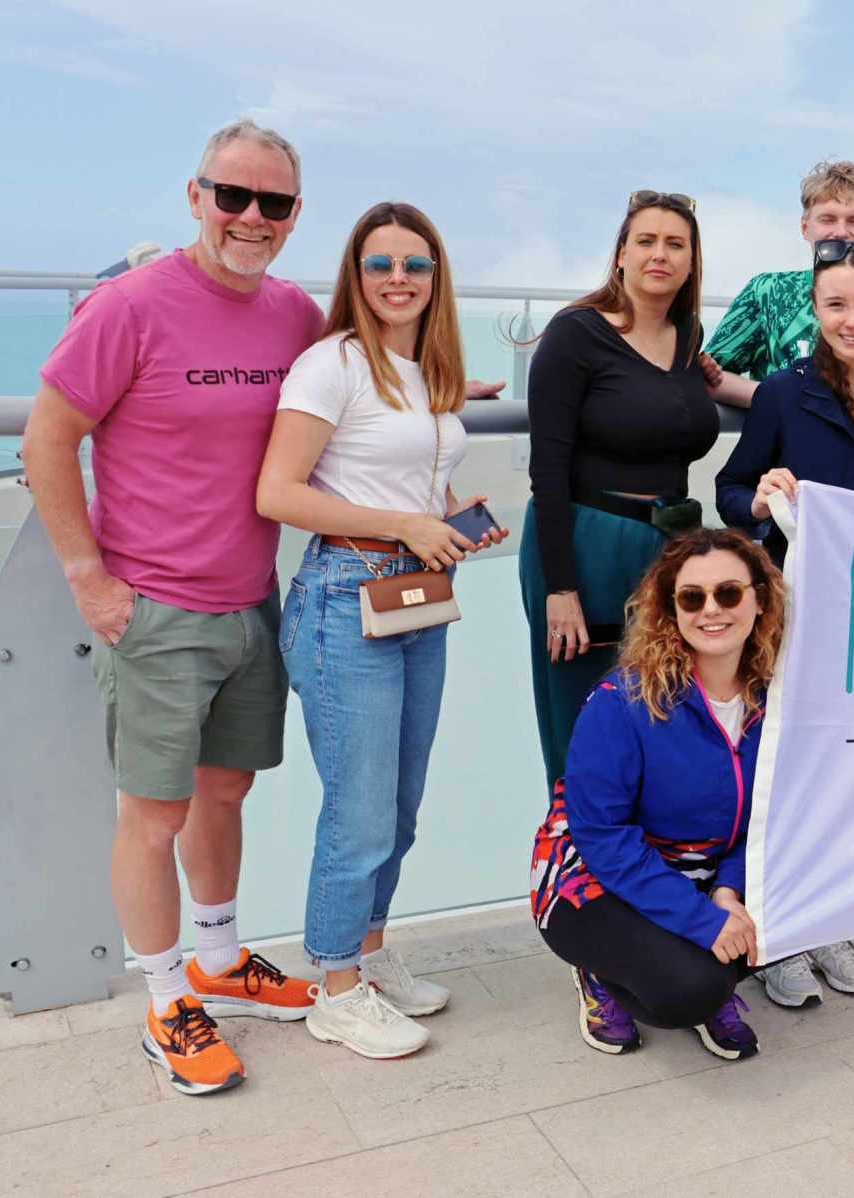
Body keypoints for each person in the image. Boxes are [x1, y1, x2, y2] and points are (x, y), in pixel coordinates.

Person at [22, 119, 323, 1094]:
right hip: (155, 608)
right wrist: (88, 576)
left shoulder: (294, 313)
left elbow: (351, 392)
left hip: (253, 602)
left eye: (273, 202)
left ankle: (220, 959)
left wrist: (443, 389)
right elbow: (47, 436)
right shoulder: (130, 305)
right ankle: (164, 1002)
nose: (250, 216)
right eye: (231, 195)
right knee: (153, 813)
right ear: (196, 197)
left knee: (225, 791)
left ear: (294, 214)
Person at [257, 202, 506, 1058]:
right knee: (359, 812)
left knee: (399, 806)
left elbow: (403, 479)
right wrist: (405, 526)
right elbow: (278, 492)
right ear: (355, 276)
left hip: (416, 598)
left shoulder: (423, 371)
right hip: (344, 600)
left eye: (415, 264)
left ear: (437, 278)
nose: (399, 278)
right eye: (380, 264)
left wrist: (451, 516)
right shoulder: (332, 364)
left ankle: (368, 954)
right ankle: (333, 987)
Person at [716, 235, 854, 1005]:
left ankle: (830, 918)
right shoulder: (783, 393)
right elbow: (730, 491)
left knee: (852, 770)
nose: (852, 319)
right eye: (836, 304)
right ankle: (776, 933)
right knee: (783, 769)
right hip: (793, 615)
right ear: (815, 309)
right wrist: (758, 496)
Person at [530, 528, 782, 1061]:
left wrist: (729, 890)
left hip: (708, 872)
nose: (711, 610)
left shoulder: (776, 701)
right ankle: (599, 970)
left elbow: (771, 814)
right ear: (671, 609)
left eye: (729, 592)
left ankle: (701, 960)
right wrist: (704, 921)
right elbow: (603, 838)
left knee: (797, 908)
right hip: (595, 879)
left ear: (760, 599)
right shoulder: (621, 701)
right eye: (692, 597)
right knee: (688, 990)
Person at [520, 191, 720, 786]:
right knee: (586, 729)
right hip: (587, 548)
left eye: (675, 244)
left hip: (670, 554)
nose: (660, 254)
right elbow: (547, 468)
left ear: (691, 261)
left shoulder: (689, 336)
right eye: (646, 241)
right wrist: (561, 588)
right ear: (621, 255)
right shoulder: (575, 334)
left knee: (662, 725)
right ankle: (578, 847)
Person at [700, 161, 854, 406]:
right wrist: (782, 400)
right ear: (805, 228)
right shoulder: (768, 291)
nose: (841, 232)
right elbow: (711, 374)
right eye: (828, 219)